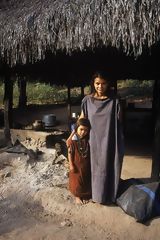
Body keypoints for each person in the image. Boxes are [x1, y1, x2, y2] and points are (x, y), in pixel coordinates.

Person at [67, 71, 124, 205]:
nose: (100, 86)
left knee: (107, 166)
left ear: (108, 84)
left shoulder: (114, 101)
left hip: (109, 139)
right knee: (86, 168)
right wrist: (71, 136)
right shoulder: (87, 101)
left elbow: (119, 123)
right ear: (93, 83)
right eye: (97, 83)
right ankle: (87, 193)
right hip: (91, 141)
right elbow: (82, 120)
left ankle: (107, 195)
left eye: (103, 83)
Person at [68, 118, 91, 204]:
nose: (83, 132)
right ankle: (77, 195)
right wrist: (71, 165)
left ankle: (84, 195)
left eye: (86, 130)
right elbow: (69, 153)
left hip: (85, 164)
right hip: (76, 165)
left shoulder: (87, 139)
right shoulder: (73, 140)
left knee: (85, 180)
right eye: (81, 129)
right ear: (77, 128)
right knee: (77, 181)